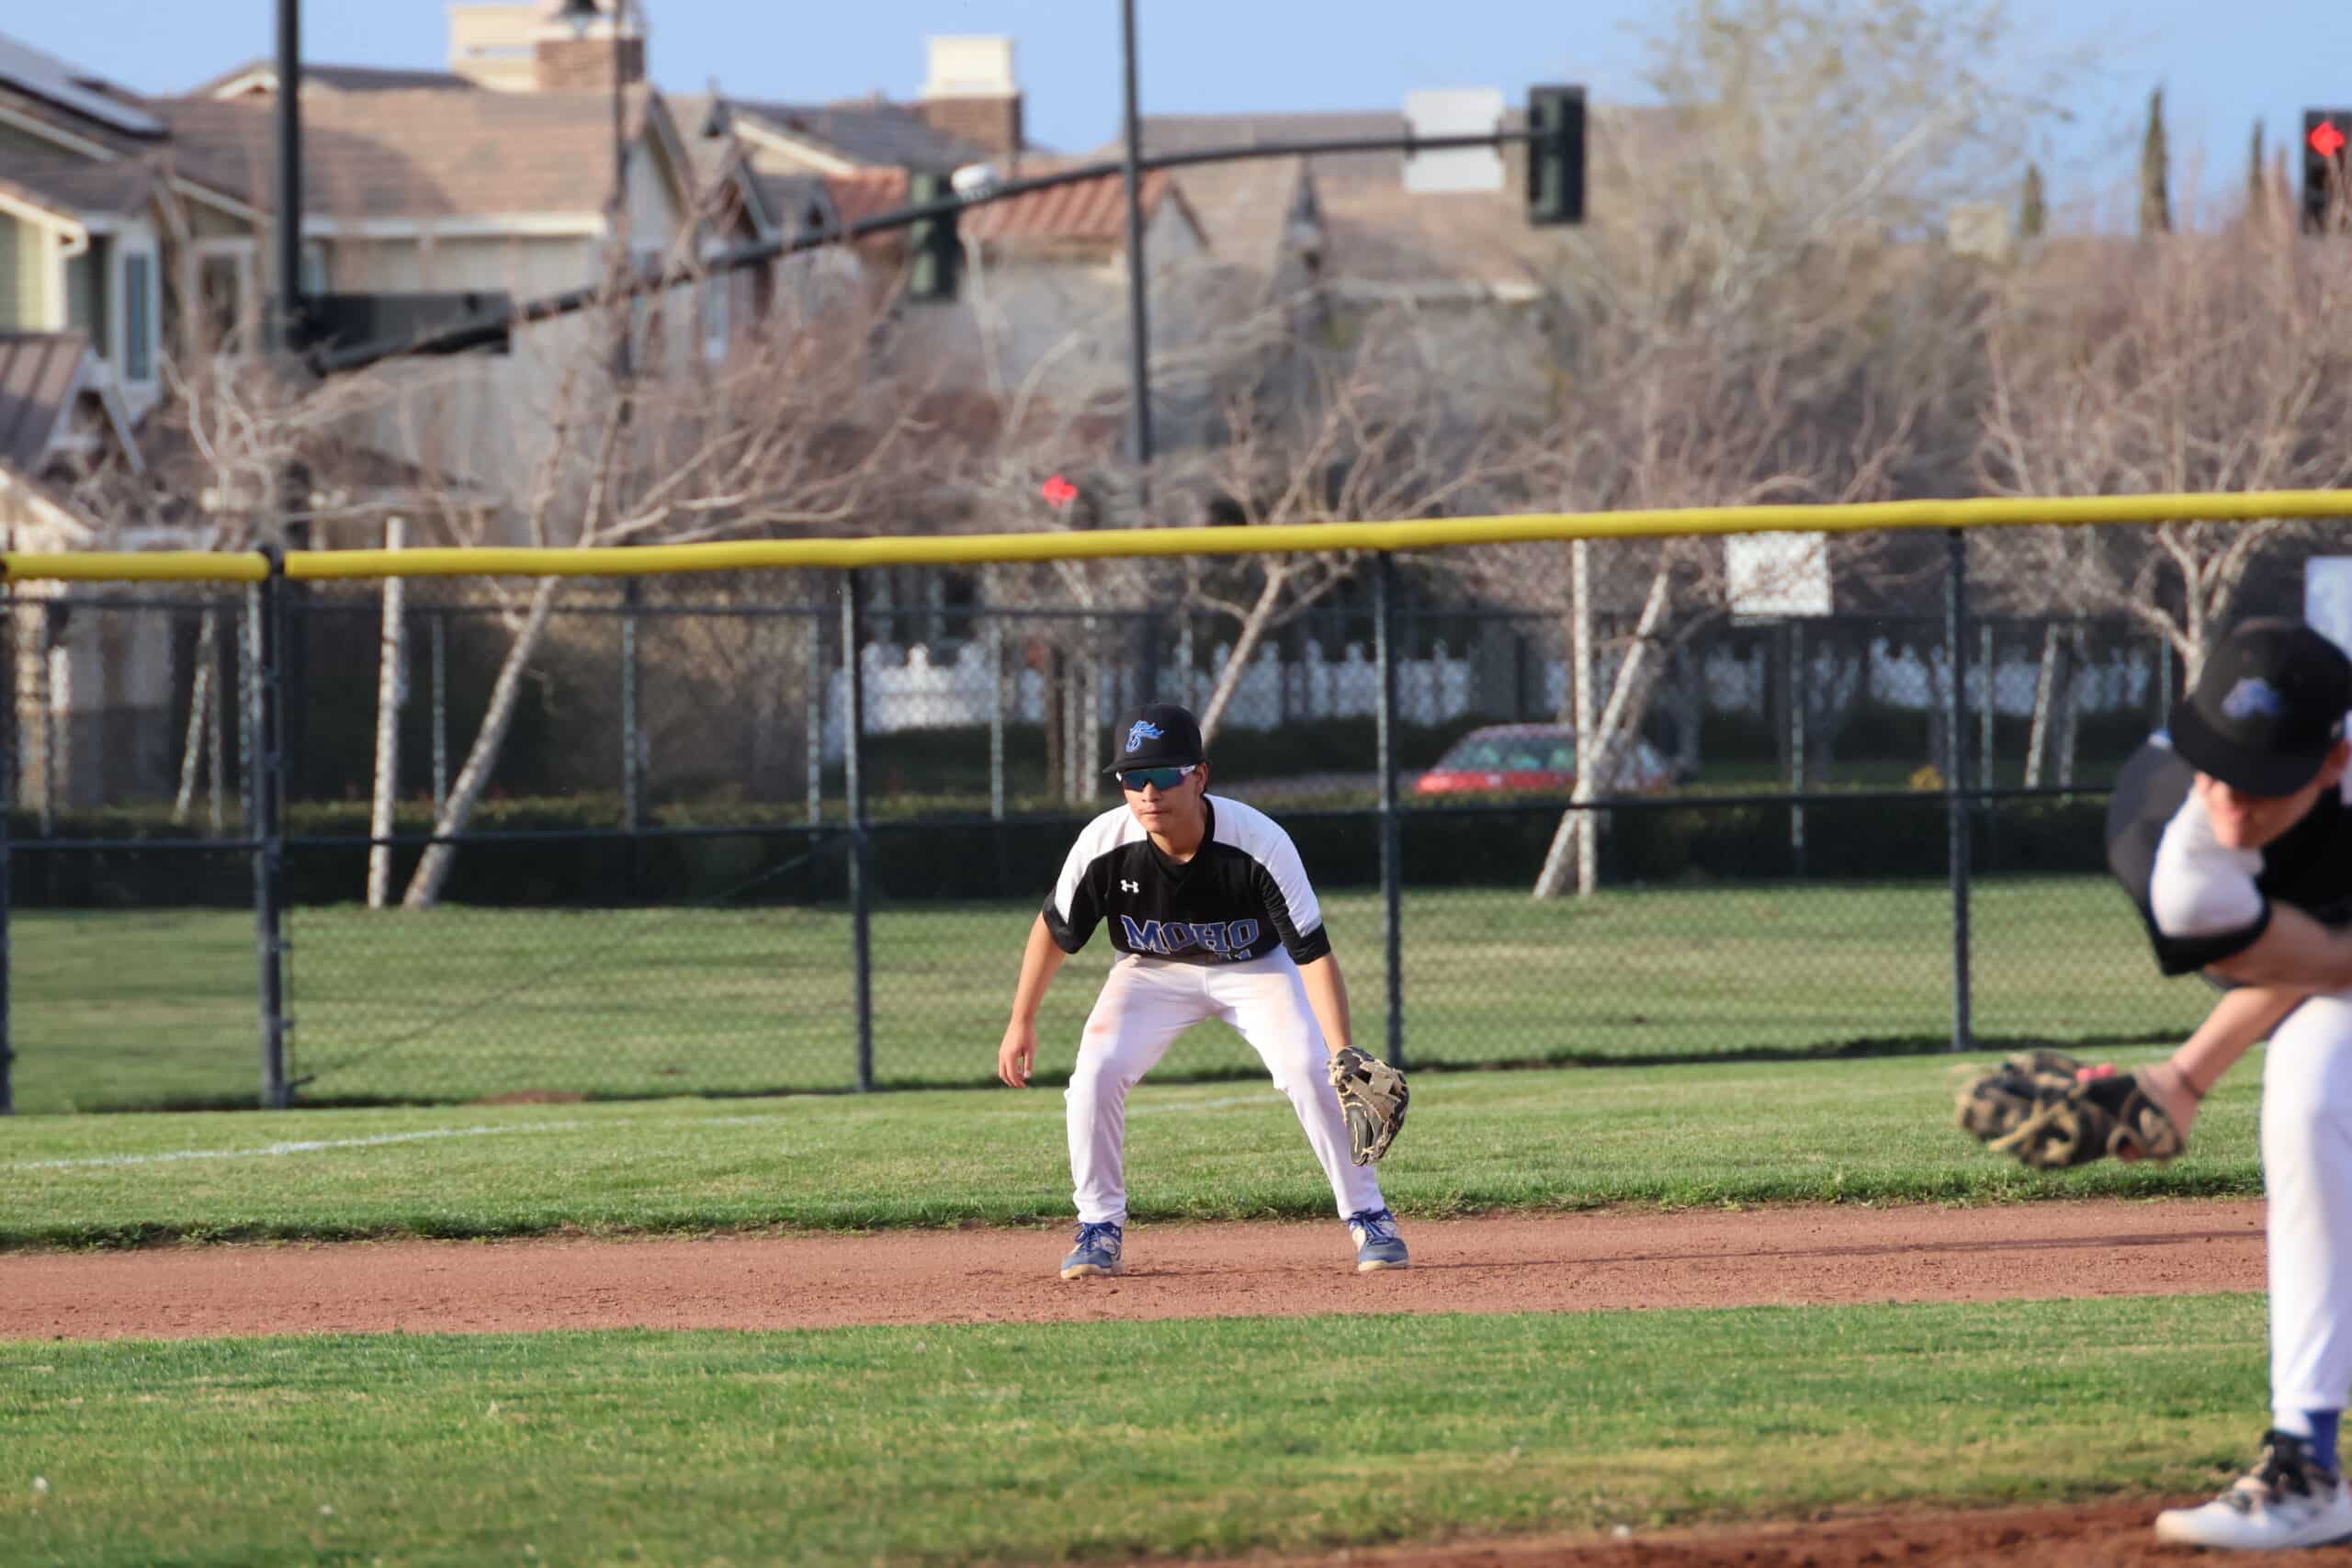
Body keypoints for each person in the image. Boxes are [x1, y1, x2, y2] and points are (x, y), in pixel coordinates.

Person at [996, 702, 1408, 1280]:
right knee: (1094, 1074)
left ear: (1200, 776)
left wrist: (1341, 1049)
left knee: (1310, 1071)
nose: (1147, 792)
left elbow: (1311, 954)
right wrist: (1022, 1020)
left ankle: (1370, 1217)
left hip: (1256, 970)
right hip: (1150, 972)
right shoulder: (1104, 844)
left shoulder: (1259, 842)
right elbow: (1054, 929)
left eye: (1163, 775)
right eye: (1132, 779)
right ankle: (1098, 1228)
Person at [2104, 617, 2352, 1550]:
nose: (2231, 802)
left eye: (2265, 783)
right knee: (2310, 1085)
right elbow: (2323, 963)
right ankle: (2305, 1461)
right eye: (2218, 765)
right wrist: (2182, 1078)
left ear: (2333, 763)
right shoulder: (2168, 850)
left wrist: (2182, 1075)